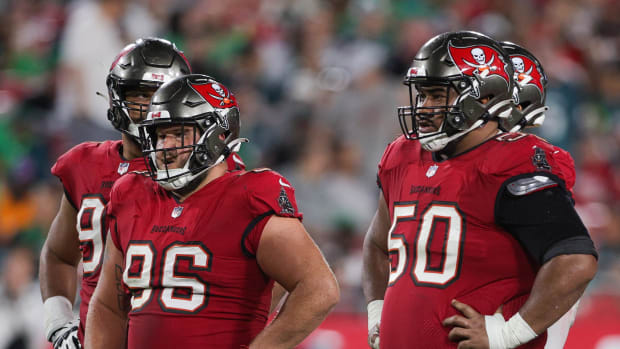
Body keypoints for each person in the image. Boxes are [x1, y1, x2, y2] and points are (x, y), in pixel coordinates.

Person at [362, 31, 597, 349]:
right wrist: (378, 311)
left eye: (437, 95)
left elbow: (574, 261)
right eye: (422, 95)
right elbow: (378, 243)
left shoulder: (511, 162)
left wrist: (508, 333)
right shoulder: (402, 155)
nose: (424, 107)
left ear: (484, 97)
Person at [85, 74, 340, 348]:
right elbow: (109, 305)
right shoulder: (131, 193)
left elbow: (318, 288)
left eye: (178, 133)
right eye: (160, 135)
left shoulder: (249, 196)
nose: (165, 147)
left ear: (218, 135)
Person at [39, 37, 192, 349]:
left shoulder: (205, 171)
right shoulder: (84, 164)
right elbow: (58, 255)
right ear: (116, 95)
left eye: (159, 97)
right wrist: (59, 324)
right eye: (138, 96)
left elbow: (262, 267)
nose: (149, 108)